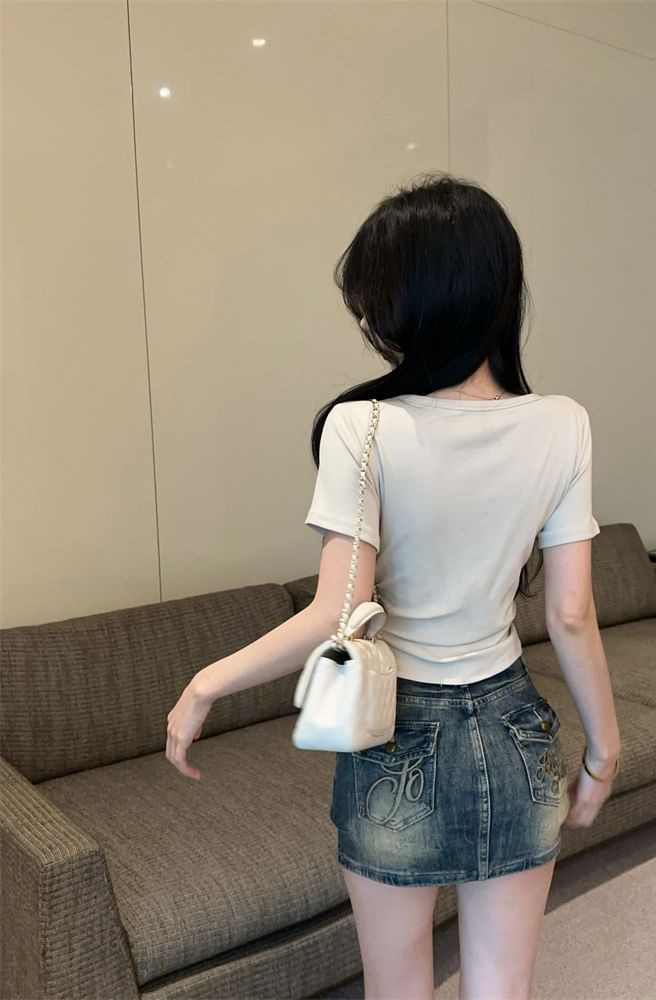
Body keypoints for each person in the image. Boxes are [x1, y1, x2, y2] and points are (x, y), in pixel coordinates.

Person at [166, 171, 621, 1000]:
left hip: (393, 737)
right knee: (503, 984)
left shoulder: (362, 426)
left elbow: (332, 615)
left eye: (376, 302)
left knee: (398, 986)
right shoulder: (564, 424)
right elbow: (570, 613)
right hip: (517, 730)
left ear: (416, 304)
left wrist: (206, 684)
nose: (371, 324)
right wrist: (605, 748)